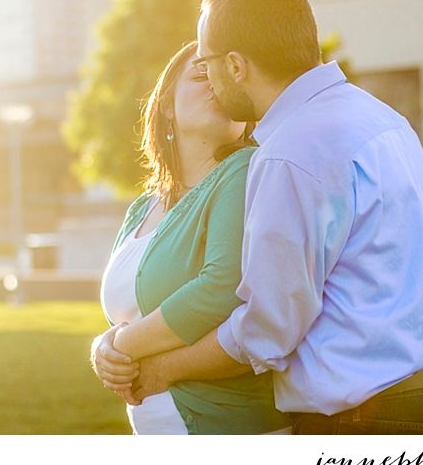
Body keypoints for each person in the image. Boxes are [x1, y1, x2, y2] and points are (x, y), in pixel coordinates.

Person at [103, 0, 423, 435]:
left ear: (236, 66)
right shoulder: (381, 118)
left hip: (365, 423)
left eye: (209, 64)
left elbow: (267, 330)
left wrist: (164, 369)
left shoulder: (289, 154)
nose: (211, 83)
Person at [91, 41, 291, 434]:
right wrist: (101, 347)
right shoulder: (143, 208)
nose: (215, 81)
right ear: (167, 104)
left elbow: (223, 286)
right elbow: (128, 315)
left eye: (226, 73)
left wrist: (121, 347)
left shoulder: (242, 170)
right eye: (201, 73)